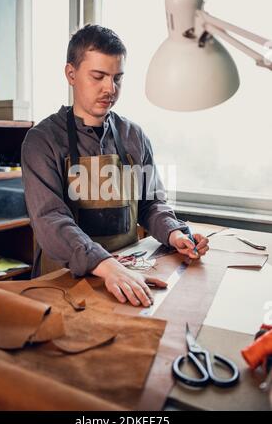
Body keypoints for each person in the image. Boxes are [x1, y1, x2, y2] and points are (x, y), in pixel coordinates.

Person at [22, 24, 209, 308]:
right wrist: (106, 265)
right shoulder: (42, 141)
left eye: (117, 78)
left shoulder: (134, 136)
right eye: (98, 76)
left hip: (127, 273)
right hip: (63, 280)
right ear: (71, 74)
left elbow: (151, 204)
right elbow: (51, 220)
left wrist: (173, 232)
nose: (110, 89)